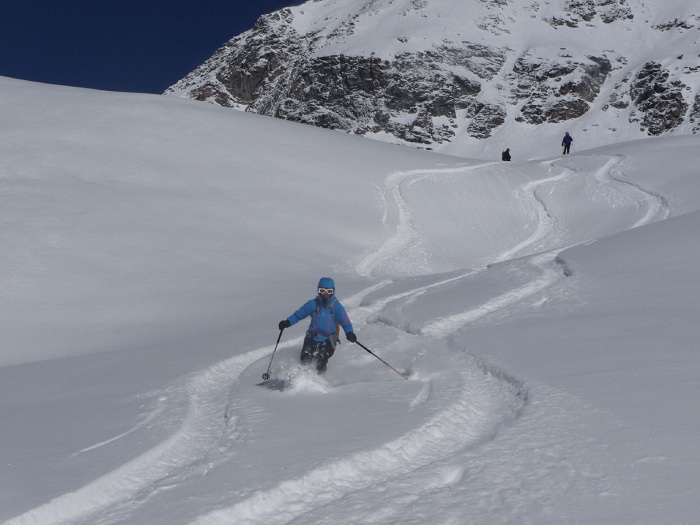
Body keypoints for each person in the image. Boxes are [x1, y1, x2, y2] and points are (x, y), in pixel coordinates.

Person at [278, 277, 356, 374]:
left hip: (329, 340)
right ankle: (301, 379)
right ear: (318, 291)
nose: (326, 294)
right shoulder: (313, 304)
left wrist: (349, 333)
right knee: (305, 357)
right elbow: (299, 315)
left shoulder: (337, 307)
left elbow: (345, 322)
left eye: (329, 291)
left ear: (333, 291)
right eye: (322, 291)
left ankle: (319, 380)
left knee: (321, 358)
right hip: (312, 337)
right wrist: (288, 322)